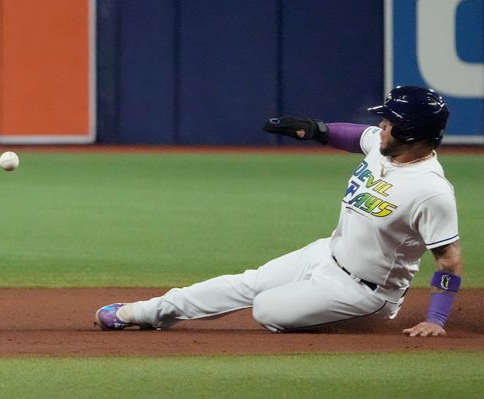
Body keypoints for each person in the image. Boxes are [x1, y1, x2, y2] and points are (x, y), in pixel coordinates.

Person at [96, 86, 462, 337]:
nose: (381, 126)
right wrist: (315, 130)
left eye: (389, 121)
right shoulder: (383, 149)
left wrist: (436, 319)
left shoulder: (430, 190)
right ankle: (145, 312)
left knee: (266, 309)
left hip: (366, 293)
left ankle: (343, 320)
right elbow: (355, 136)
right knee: (247, 283)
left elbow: (449, 260)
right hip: (326, 254)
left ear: (411, 132)